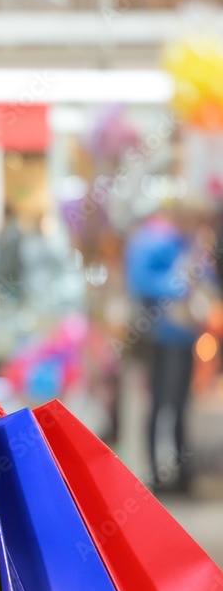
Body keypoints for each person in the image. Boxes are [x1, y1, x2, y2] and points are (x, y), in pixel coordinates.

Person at [124, 205, 204, 493]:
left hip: (179, 336)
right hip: (162, 337)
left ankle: (178, 475)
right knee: (161, 405)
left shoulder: (174, 241)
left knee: (176, 406)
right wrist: (179, 285)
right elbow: (142, 283)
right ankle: (159, 474)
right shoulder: (153, 241)